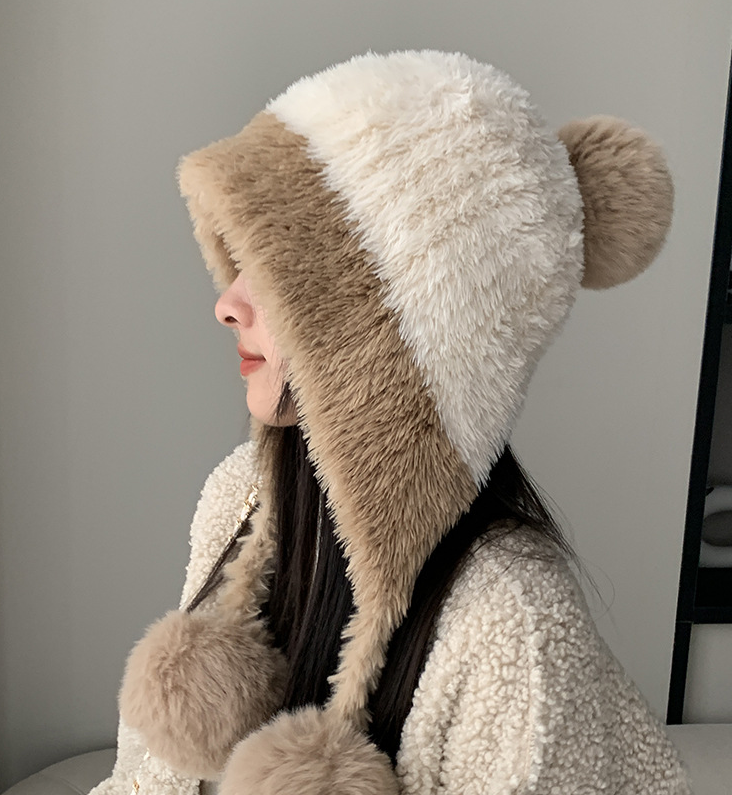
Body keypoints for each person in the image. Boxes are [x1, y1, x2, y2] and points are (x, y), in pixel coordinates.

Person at [90, 50, 690, 794]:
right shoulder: (239, 496)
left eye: (280, 270)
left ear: (391, 341)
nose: (227, 304)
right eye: (240, 256)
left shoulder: (513, 622)